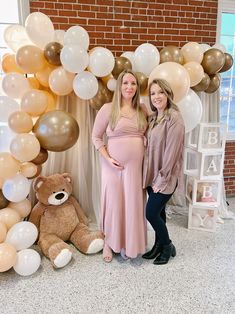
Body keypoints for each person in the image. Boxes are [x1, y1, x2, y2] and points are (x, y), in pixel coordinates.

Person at [92, 69, 148, 262]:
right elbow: (96, 137)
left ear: (137, 87)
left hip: (136, 168)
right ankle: (109, 243)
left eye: (133, 83)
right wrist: (108, 158)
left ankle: (128, 244)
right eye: (125, 83)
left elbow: (150, 136)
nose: (129, 87)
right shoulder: (108, 108)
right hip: (112, 167)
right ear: (119, 86)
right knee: (114, 204)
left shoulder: (143, 109)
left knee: (132, 205)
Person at [142, 78, 185, 265]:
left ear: (168, 94)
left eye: (160, 92)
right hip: (152, 174)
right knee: (159, 213)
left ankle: (168, 246)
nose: (156, 96)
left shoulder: (174, 117)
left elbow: (172, 152)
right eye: (153, 93)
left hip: (165, 176)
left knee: (150, 213)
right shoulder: (153, 118)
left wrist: (162, 177)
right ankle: (158, 245)